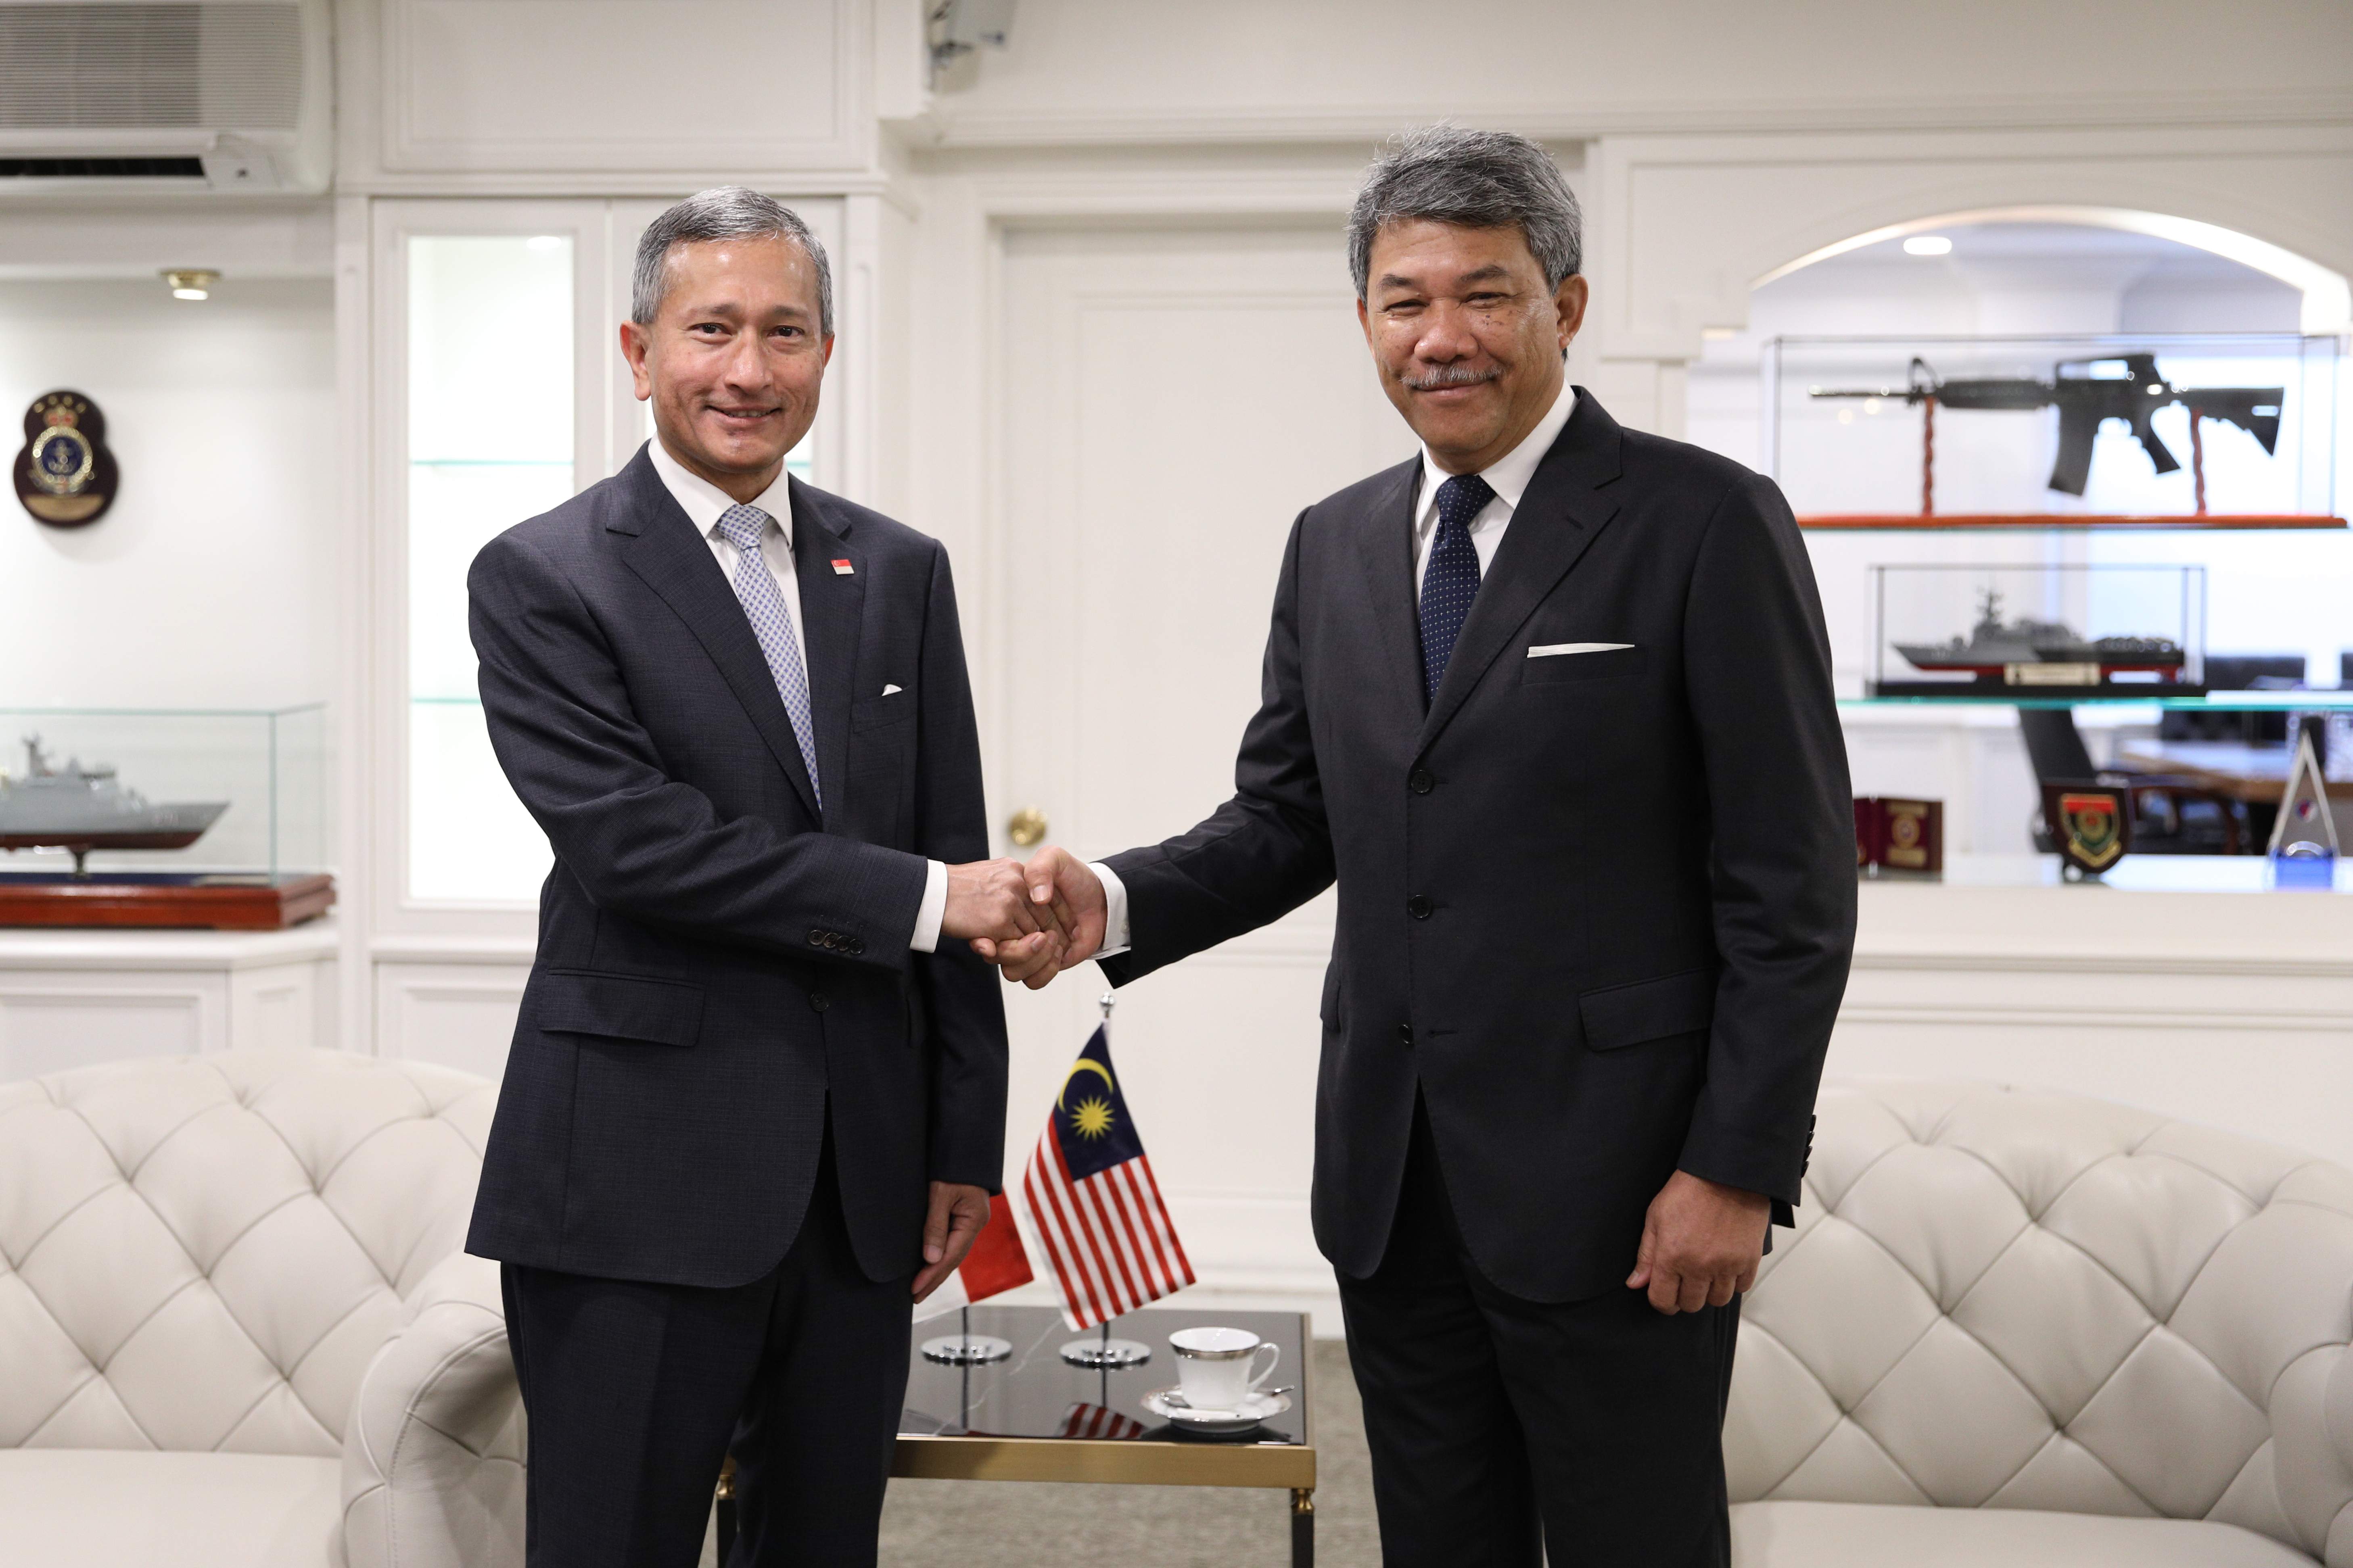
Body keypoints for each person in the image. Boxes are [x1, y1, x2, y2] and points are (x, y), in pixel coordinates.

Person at [993, 128, 1856, 1566]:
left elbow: (1792, 888)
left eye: (1487, 294)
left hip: (1628, 1189)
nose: (1442, 337)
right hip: (1393, 1185)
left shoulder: (1707, 523)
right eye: (1406, 301)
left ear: (1564, 307)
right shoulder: (1333, 541)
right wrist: (1116, 897)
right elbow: (1289, 820)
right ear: (1365, 322)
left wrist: (1740, 1165)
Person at [463, 187, 1066, 1568]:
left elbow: (951, 835)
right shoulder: (545, 577)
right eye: (711, 329)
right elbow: (637, 846)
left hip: (861, 1192)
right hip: (636, 1187)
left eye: (784, 331)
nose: (749, 369)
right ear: (637, 349)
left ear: (825, 353)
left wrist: (964, 1138)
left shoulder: (898, 569)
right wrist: (928, 901)